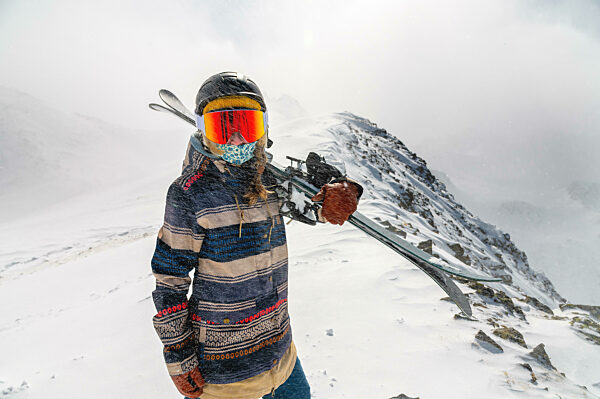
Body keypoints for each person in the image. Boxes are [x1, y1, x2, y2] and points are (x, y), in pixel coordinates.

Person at [150, 72, 362, 399]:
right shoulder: (190, 195)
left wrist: (337, 193)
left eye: (246, 126)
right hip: (225, 378)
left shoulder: (269, 183)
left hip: (282, 357)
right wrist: (179, 354)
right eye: (223, 127)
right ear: (204, 132)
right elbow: (169, 281)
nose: (237, 140)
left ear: (263, 130)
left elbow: (314, 208)